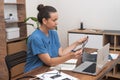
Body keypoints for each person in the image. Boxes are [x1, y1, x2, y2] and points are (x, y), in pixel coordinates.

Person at [24, 4, 88, 72]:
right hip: (34, 72)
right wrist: (70, 56)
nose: (56, 23)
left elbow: (61, 53)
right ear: (44, 21)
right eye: (54, 20)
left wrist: (77, 43)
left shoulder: (53, 33)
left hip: (48, 69)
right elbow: (49, 62)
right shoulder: (35, 38)